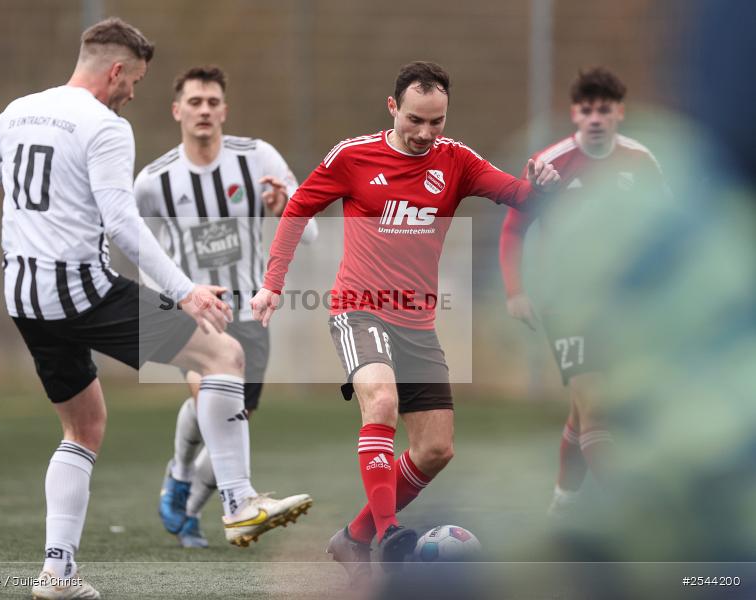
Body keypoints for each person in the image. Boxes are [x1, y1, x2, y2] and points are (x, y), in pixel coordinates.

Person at [0, 19, 310, 600]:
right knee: (224, 352)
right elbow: (123, 224)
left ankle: (57, 574)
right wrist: (187, 291)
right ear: (116, 70)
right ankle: (240, 501)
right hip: (79, 290)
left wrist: (27, 179)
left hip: (21, 293)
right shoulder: (106, 126)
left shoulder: (21, 109)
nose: (134, 93)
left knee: (84, 425)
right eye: (136, 80)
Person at [250, 61, 560, 582]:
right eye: (415, 119)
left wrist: (542, 188)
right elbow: (299, 206)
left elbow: (518, 198)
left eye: (436, 122)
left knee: (436, 449)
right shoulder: (353, 156)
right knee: (383, 401)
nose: (424, 133)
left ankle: (353, 538)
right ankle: (390, 535)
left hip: (416, 322)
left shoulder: (456, 161)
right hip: (358, 309)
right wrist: (272, 284)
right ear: (393, 108)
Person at [134, 65, 317, 548]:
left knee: (231, 421)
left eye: (213, 102)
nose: (204, 110)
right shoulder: (153, 181)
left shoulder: (257, 158)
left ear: (224, 111)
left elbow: (311, 230)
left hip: (249, 312)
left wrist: (285, 209)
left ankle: (186, 501)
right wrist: (170, 298)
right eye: (194, 102)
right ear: (177, 111)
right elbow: (138, 249)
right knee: (210, 399)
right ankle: (195, 485)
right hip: (192, 315)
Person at [498, 67, 667, 517]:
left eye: (604, 109)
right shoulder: (549, 163)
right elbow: (514, 229)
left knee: (583, 410)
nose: (595, 118)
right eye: (587, 109)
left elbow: (666, 228)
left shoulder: (641, 162)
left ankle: (563, 502)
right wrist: (516, 291)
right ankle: (628, 514)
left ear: (619, 113)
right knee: (596, 407)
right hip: (566, 303)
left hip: (620, 306)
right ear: (575, 113)